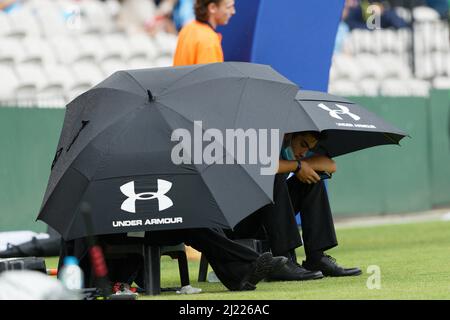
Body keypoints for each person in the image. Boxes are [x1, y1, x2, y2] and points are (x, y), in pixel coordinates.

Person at [227, 131, 362, 281]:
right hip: (238, 222)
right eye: (303, 144)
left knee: (312, 178)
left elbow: (330, 165)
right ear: (288, 135)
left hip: (268, 218)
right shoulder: (258, 139)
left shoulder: (291, 153)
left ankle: (316, 258)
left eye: (309, 148)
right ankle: (283, 260)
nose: (304, 152)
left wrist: (300, 166)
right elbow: (263, 165)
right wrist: (297, 167)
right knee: (272, 176)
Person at [59, 228, 287, 292]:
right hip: (122, 230)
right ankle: (250, 265)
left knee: (199, 227)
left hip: (152, 223)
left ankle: (242, 274)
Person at [173, 0, 236, 66]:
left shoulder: (187, 28)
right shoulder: (209, 41)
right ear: (212, 7)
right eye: (229, 7)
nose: (233, 12)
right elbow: (210, 75)